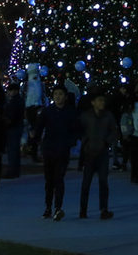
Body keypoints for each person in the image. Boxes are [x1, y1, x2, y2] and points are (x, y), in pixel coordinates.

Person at [40, 84, 81, 220]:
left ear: (65, 96)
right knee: (49, 180)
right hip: (49, 149)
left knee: (59, 179)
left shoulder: (70, 112)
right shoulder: (48, 111)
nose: (58, 97)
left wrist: (70, 143)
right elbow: (39, 127)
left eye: (60, 94)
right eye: (56, 94)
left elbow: (75, 130)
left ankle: (58, 207)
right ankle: (48, 207)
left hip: (62, 150)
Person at [77, 91, 118, 220]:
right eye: (99, 100)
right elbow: (80, 130)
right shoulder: (86, 116)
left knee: (103, 182)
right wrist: (85, 143)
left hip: (102, 153)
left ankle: (104, 209)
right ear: (93, 102)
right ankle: (83, 210)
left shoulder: (108, 116)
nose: (102, 103)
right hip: (89, 153)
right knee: (86, 183)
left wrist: (107, 142)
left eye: (103, 101)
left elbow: (114, 131)